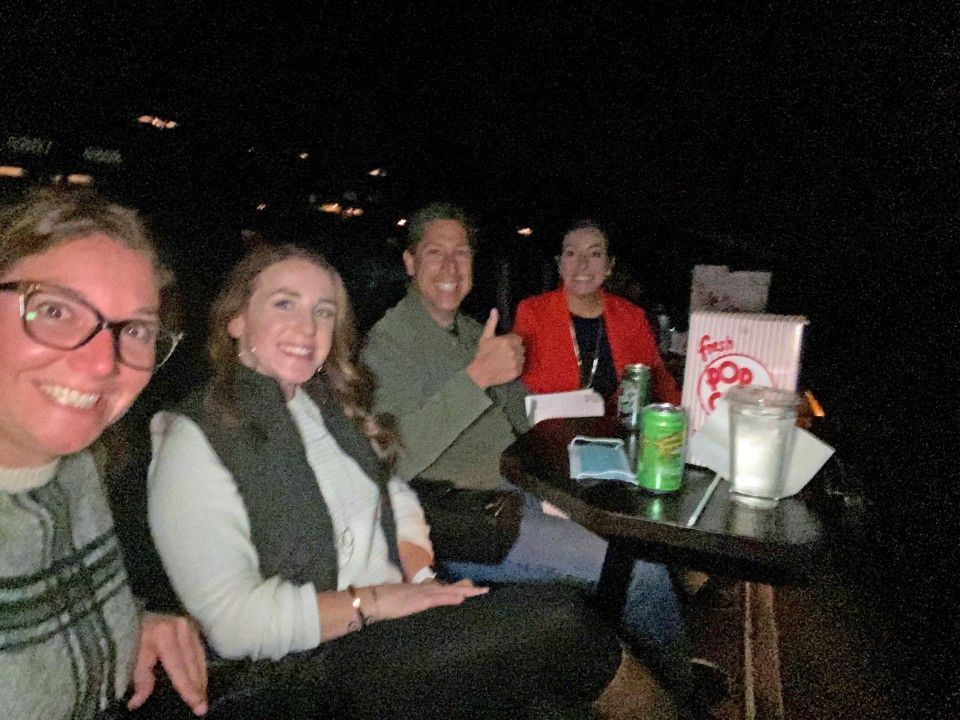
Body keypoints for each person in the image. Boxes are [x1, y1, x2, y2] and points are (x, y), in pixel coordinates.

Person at [148, 243, 621, 719]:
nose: (308, 326)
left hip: (390, 619)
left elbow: (392, 489)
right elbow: (233, 623)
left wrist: (420, 575)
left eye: (323, 311)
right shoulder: (193, 437)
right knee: (565, 621)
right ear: (236, 320)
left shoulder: (324, 405)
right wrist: (376, 601)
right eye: (284, 303)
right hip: (307, 670)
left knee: (554, 705)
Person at [361, 203, 725, 717]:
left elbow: (524, 421)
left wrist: (572, 473)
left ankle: (646, 660)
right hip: (463, 518)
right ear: (409, 263)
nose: (450, 266)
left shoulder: (470, 332)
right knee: (638, 567)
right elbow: (393, 461)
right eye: (434, 253)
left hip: (520, 492)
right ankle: (674, 689)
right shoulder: (387, 345)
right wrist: (476, 379)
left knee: (639, 529)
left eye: (461, 253)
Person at [0, 187, 208, 719]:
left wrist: (123, 622)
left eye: (134, 330)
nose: (101, 364)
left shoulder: (78, 467)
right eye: (55, 310)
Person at [512, 219, 680, 408]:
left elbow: (659, 381)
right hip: (548, 430)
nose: (582, 264)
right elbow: (517, 384)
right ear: (560, 264)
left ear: (609, 265)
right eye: (571, 253)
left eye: (595, 254)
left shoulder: (631, 316)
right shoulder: (532, 312)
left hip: (615, 432)